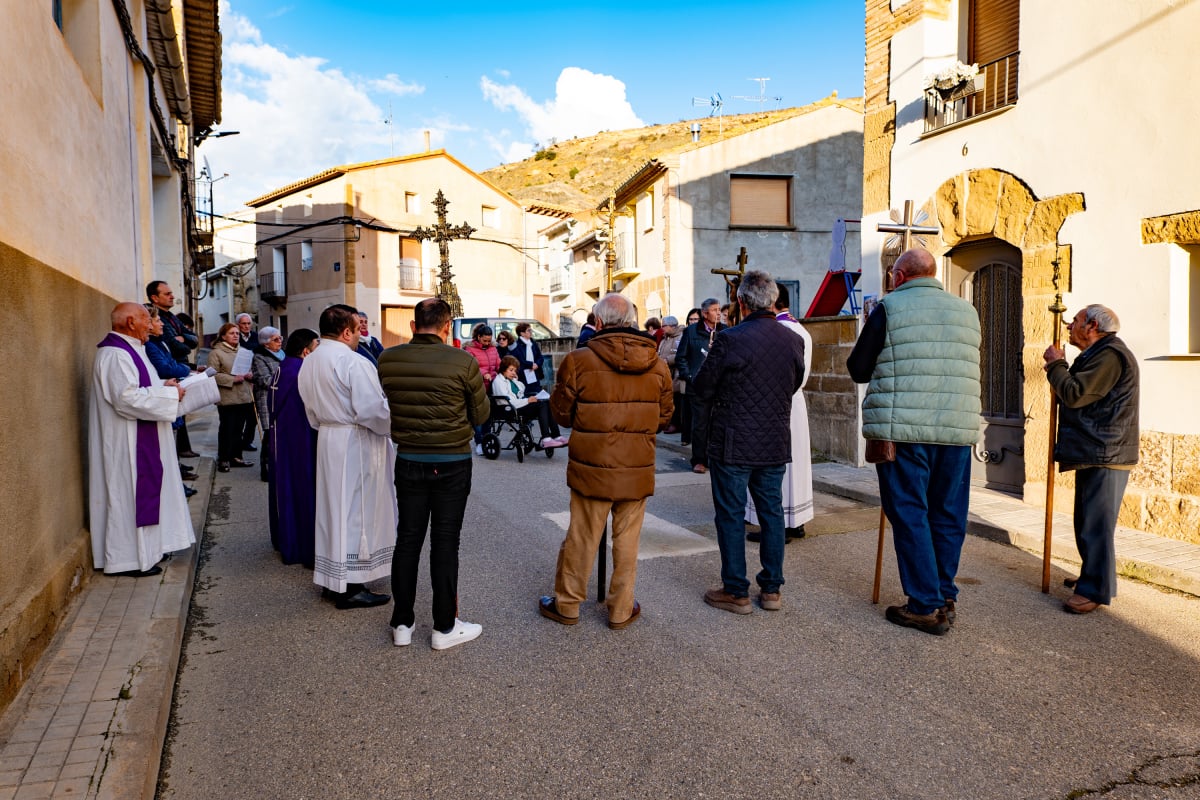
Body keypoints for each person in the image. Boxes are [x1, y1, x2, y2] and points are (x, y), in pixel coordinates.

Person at [847, 248, 981, 636]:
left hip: (902, 430)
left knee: (909, 513)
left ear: (899, 276)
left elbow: (858, 369)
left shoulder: (890, 308)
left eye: (892, 275)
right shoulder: (966, 311)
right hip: (955, 429)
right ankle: (944, 593)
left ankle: (925, 605)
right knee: (948, 513)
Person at [540, 293, 673, 629]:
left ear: (598, 323)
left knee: (583, 535)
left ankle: (568, 604)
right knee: (627, 539)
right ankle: (620, 608)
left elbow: (562, 414)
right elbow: (664, 417)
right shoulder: (658, 364)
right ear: (632, 322)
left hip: (592, 466)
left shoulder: (578, 360)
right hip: (636, 466)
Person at [378, 297, 490, 650]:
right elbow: (481, 415)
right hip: (452, 460)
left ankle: (402, 622)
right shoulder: (463, 361)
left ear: (413, 326)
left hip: (409, 458)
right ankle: (444, 626)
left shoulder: (387, 359)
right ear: (447, 327)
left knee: (408, 539)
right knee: (445, 541)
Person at [695, 271, 807, 614]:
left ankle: (736, 590)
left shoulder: (731, 339)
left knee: (730, 515)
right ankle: (771, 589)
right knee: (771, 513)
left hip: (733, 440)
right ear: (773, 301)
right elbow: (794, 382)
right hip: (773, 438)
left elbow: (702, 389)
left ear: (741, 303)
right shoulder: (793, 339)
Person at [298, 304, 396, 610]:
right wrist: (393, 425)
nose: (360, 334)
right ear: (346, 332)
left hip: (328, 438)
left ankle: (333, 580)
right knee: (357, 511)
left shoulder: (310, 361)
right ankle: (352, 586)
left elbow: (310, 410)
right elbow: (371, 410)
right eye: (357, 329)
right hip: (357, 441)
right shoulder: (353, 362)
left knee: (333, 508)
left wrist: (328, 425)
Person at [1043, 304, 1139, 615]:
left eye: (1076, 321)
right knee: (1086, 521)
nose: (1070, 325)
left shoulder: (1110, 355)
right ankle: (1092, 577)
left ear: (1092, 325)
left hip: (1105, 452)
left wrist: (1056, 366)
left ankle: (1095, 589)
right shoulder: (1100, 353)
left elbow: (1075, 394)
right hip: (1096, 450)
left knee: (1095, 525)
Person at [88, 302, 195, 576]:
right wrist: (170, 395)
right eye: (147, 320)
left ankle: (148, 551)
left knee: (143, 494)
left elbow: (144, 387)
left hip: (140, 435)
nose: (150, 325)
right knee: (127, 495)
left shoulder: (133, 349)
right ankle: (128, 559)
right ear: (131, 322)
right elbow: (126, 398)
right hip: (126, 441)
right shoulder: (114, 354)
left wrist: (165, 387)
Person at [746, 284, 814, 543]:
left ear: (772, 302)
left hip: (776, 404)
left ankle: (777, 526)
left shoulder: (779, 330)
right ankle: (796, 522)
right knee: (795, 463)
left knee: (776, 466)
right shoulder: (801, 329)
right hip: (796, 403)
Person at [269, 329, 321, 568]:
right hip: (300, 438)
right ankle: (302, 545)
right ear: (305, 351)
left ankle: (287, 539)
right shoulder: (302, 370)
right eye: (316, 347)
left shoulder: (284, 366)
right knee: (302, 489)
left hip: (283, 437)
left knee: (286, 488)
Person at [143, 306, 198, 496]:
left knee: (171, 447)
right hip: (164, 395)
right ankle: (175, 488)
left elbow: (173, 361)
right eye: (158, 321)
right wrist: (186, 370)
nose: (161, 324)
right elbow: (166, 368)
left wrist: (182, 368)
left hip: (171, 393)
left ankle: (177, 483)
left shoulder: (160, 342)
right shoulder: (150, 346)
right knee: (166, 451)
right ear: (148, 324)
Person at [146, 281, 199, 457]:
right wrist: (183, 342)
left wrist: (183, 338)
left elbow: (194, 339)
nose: (172, 296)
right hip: (173, 372)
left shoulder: (172, 317)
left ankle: (181, 453)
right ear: (154, 298)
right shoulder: (156, 329)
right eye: (167, 294)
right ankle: (178, 456)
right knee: (173, 418)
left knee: (180, 416)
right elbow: (177, 348)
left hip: (179, 367)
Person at [675, 298, 726, 473]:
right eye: (714, 310)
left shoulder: (725, 332)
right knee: (700, 425)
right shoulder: (691, 332)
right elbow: (681, 357)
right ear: (705, 314)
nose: (718, 313)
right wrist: (689, 376)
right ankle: (699, 460)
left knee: (718, 424)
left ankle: (715, 458)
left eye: (719, 309)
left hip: (719, 386)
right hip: (698, 387)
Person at [207, 322, 256, 473]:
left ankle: (236, 457)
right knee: (227, 429)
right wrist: (231, 379)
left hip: (243, 396)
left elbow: (250, 369)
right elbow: (211, 374)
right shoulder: (216, 353)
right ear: (223, 336)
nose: (235, 335)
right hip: (227, 397)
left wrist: (250, 374)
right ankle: (224, 459)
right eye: (231, 333)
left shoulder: (244, 351)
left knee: (238, 429)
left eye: (237, 333)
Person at [492, 356, 567, 448]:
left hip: (518, 406)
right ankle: (546, 439)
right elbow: (510, 401)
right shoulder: (498, 381)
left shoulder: (511, 380)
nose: (513, 373)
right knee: (541, 405)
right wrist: (528, 400)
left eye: (515, 370)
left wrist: (516, 380)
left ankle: (556, 435)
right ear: (503, 368)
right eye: (511, 370)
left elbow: (521, 391)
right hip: (509, 408)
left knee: (547, 403)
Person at [251, 327, 285, 481]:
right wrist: (287, 379)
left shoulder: (283, 354)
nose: (280, 342)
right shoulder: (259, 357)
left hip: (282, 397)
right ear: (266, 344)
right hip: (267, 399)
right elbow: (265, 379)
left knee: (281, 433)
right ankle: (266, 468)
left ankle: (280, 466)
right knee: (269, 433)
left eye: (280, 338)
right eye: (275, 339)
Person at [465, 324, 501, 454]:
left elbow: (498, 364)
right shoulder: (470, 349)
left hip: (492, 387)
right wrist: (483, 373)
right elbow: (471, 366)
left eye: (489, 340)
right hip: (478, 387)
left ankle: (487, 440)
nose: (487, 343)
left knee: (489, 416)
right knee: (479, 416)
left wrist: (507, 370)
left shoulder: (493, 349)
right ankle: (479, 442)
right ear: (478, 337)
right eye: (484, 340)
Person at [656, 316, 684, 434]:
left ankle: (676, 424)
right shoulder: (664, 339)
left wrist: (668, 359)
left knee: (675, 400)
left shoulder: (681, 337)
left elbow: (680, 354)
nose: (662, 328)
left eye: (664, 326)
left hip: (675, 373)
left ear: (672, 326)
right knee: (667, 399)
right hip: (665, 373)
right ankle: (668, 422)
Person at [510, 321, 548, 395]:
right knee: (527, 394)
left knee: (537, 393)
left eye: (531, 330)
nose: (531, 332)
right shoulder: (517, 345)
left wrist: (537, 364)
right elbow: (519, 360)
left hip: (535, 372)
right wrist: (531, 365)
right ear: (522, 333)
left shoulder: (533, 343)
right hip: (523, 374)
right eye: (528, 330)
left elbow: (540, 357)